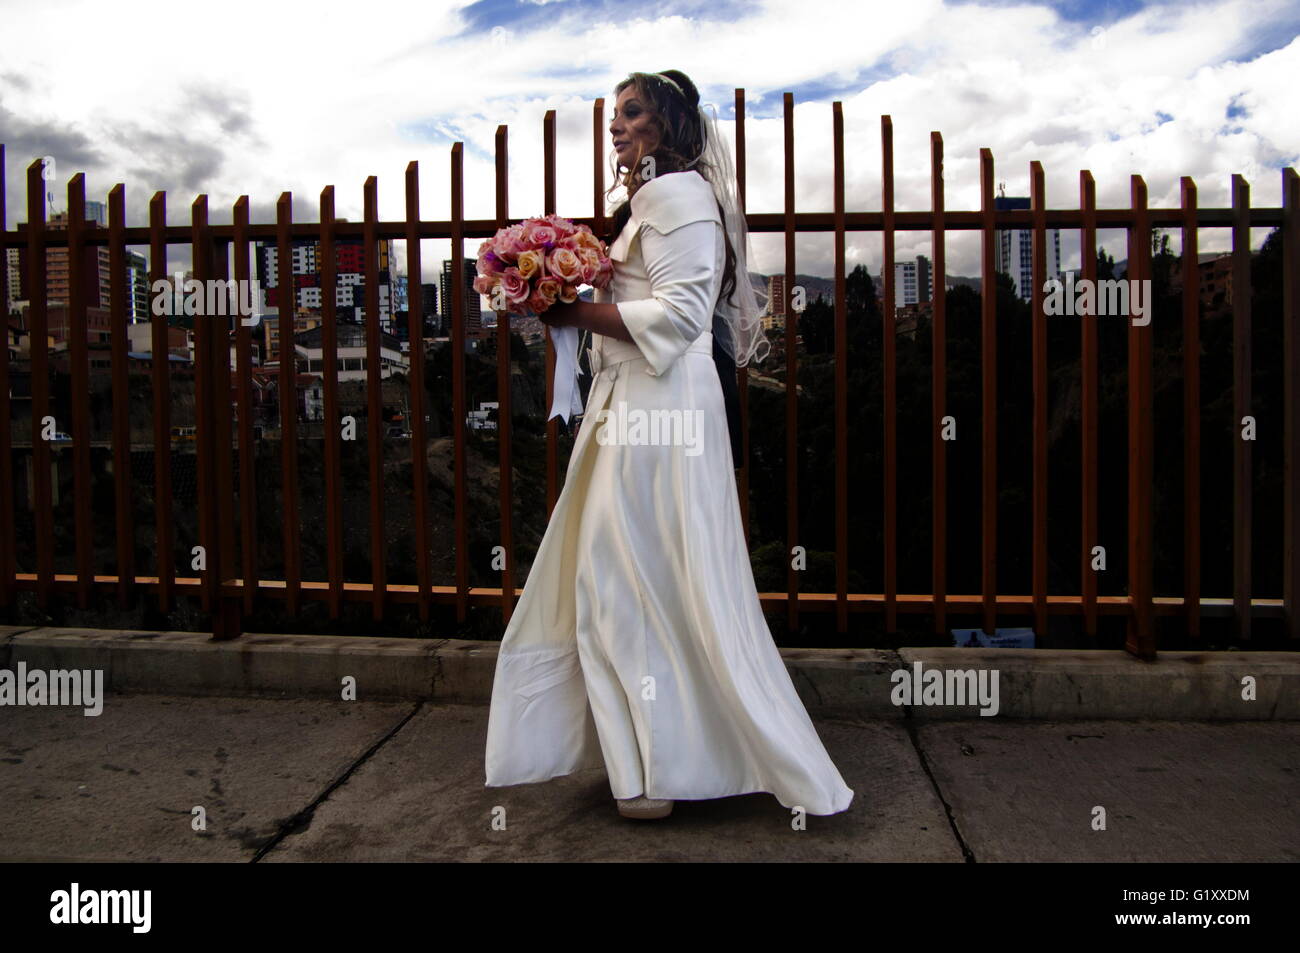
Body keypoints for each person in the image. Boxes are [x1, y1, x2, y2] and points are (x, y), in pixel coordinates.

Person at [484, 70, 854, 821]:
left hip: (661, 407)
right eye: (614, 115)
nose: (616, 126)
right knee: (626, 576)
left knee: (627, 579)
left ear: (671, 123)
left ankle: (656, 768)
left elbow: (682, 316)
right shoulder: (653, 201)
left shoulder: (677, 196)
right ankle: (651, 761)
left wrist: (572, 308)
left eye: (633, 112)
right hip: (637, 404)